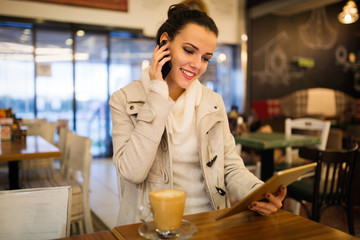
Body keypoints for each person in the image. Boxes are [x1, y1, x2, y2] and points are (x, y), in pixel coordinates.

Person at [109, 3, 286, 226]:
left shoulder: (212, 102)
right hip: (151, 226)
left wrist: (259, 192)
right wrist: (156, 95)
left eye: (205, 58)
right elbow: (132, 172)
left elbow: (229, 166)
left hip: (208, 223)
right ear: (165, 43)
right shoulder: (124, 99)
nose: (197, 65)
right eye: (189, 51)